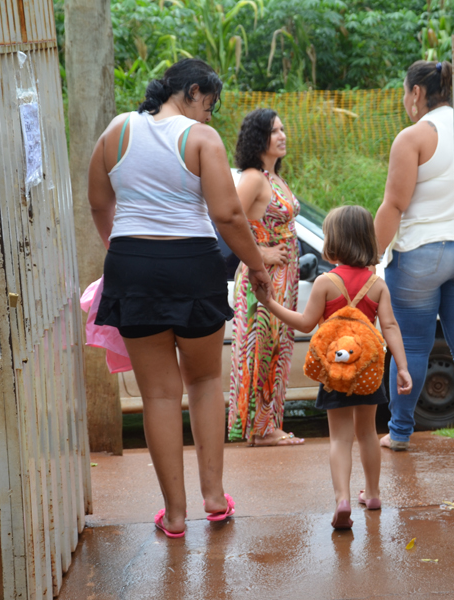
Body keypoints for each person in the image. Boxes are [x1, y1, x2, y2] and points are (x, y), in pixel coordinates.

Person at [87, 58, 272, 538]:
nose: (209, 118)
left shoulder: (117, 131)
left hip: (131, 265)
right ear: (191, 92)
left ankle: (173, 515)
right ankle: (213, 498)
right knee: (207, 379)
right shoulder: (199, 139)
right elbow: (228, 215)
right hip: (193, 266)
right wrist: (255, 264)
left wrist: (122, 249)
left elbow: (98, 202)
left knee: (159, 395)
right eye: (208, 106)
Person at [255, 206, 412, 529]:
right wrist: (403, 367)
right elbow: (391, 327)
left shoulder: (326, 283)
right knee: (368, 433)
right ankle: (372, 493)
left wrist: (270, 303)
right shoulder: (377, 285)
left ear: (334, 242)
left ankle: (342, 499)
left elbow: (304, 323)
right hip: (368, 371)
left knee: (340, 439)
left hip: (335, 371)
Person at [373, 60, 454, 452]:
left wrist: (370, 258)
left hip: (418, 258)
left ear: (417, 94)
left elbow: (394, 205)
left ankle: (400, 432)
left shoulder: (414, 137)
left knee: (410, 347)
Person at [226, 109, 305, 447]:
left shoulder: (273, 177)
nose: (282, 135)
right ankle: (261, 429)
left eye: (283, 128)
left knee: (276, 349)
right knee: (262, 349)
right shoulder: (254, 178)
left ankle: (267, 424)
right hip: (263, 277)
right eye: (274, 131)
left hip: (283, 276)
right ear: (259, 138)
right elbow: (229, 222)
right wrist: (261, 255)